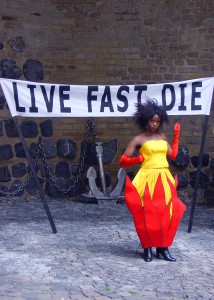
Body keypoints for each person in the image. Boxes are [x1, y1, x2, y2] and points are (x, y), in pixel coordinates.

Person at [120, 98, 186, 262]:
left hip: (164, 177)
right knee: (146, 212)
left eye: (157, 121)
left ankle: (163, 248)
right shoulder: (139, 139)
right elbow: (123, 160)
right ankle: (147, 247)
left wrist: (176, 137)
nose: (155, 124)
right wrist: (138, 158)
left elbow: (172, 155)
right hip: (147, 177)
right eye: (152, 121)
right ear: (146, 120)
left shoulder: (162, 136)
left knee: (167, 212)